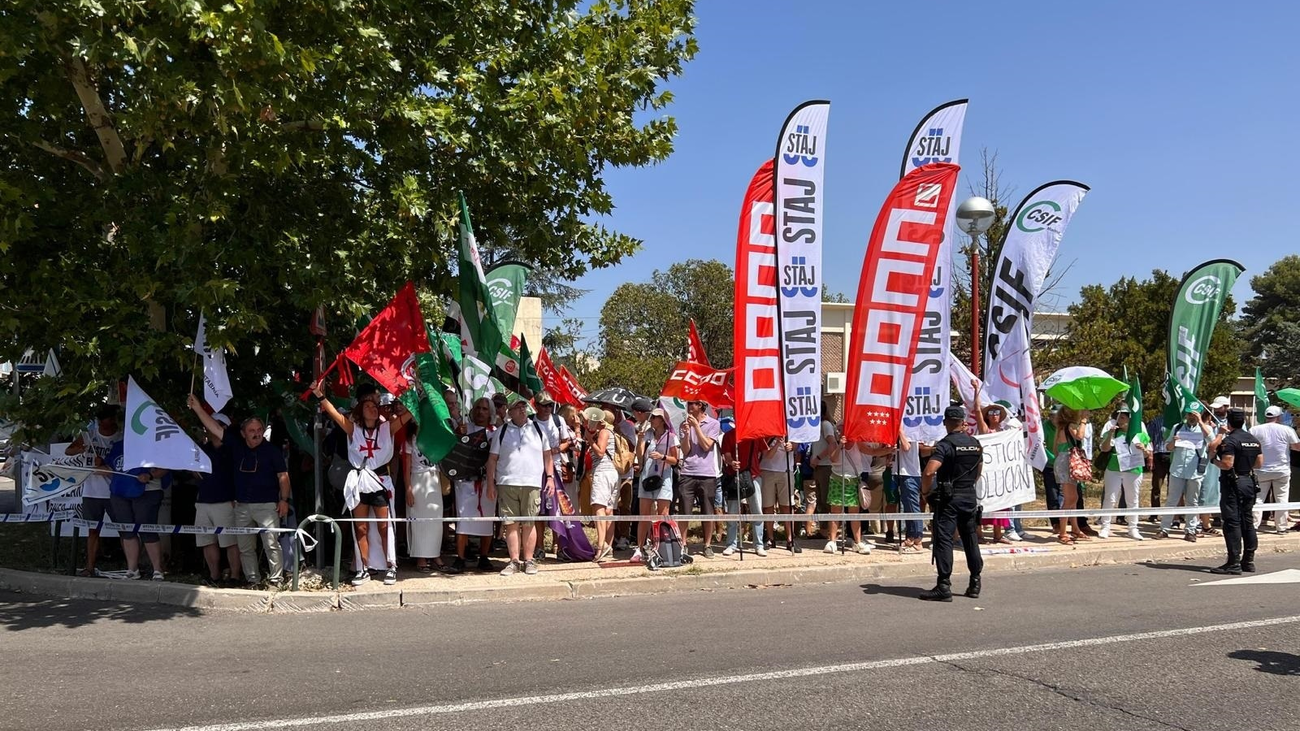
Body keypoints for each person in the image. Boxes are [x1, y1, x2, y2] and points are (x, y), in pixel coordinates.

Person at [313, 382, 413, 586]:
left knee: (385, 526)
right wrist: (319, 395)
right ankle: (363, 568)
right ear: (360, 411)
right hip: (359, 482)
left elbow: (409, 415)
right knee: (361, 528)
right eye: (368, 406)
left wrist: (417, 392)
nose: (373, 408)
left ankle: (391, 566)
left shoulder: (387, 428)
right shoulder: (353, 430)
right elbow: (334, 414)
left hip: (380, 481)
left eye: (375, 406)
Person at [189, 395, 291, 586]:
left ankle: (276, 579)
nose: (256, 434)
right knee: (245, 547)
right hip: (242, 505)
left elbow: (283, 476)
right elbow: (215, 428)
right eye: (252, 431)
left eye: (259, 430)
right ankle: (253, 580)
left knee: (271, 544)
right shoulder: (236, 446)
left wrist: (284, 500)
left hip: (267, 505)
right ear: (243, 433)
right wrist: (197, 408)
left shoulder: (272, 451)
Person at [919, 406, 984, 602]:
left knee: (944, 539)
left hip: (949, 499)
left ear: (945, 422)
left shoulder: (945, 445)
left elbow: (929, 471)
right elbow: (979, 470)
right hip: (969, 496)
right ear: (962, 421)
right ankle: (975, 583)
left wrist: (925, 492)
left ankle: (944, 585)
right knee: (970, 538)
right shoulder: (975, 443)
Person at [486, 399, 553, 576]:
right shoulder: (502, 431)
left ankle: (529, 560)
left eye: (523, 407)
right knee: (511, 524)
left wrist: (550, 478)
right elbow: (492, 459)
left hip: (532, 482)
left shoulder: (538, 428)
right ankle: (514, 561)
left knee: (529, 522)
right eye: (517, 408)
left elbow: (547, 456)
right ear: (510, 412)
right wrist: (490, 483)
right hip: (507, 482)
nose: (522, 410)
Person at [65, 404, 123, 578]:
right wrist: (81, 449)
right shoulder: (89, 435)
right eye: (101, 419)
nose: (104, 423)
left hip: (115, 490)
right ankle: (89, 567)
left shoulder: (121, 437)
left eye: (108, 419)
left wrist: (104, 462)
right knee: (92, 530)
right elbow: (68, 451)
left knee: (124, 529)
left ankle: (132, 567)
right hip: (92, 491)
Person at [100, 438, 169, 581]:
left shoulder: (153, 443)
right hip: (120, 492)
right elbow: (112, 468)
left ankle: (157, 569)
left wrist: (150, 475)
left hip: (147, 491)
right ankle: (132, 569)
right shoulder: (118, 446)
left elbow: (166, 467)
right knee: (127, 530)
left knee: (147, 529)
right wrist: (102, 468)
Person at [192, 413, 242, 586]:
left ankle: (235, 576)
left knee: (230, 542)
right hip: (203, 501)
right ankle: (214, 576)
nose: (209, 427)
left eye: (215, 424)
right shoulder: (202, 449)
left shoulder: (233, 448)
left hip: (226, 502)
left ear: (225, 427)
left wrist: (236, 498)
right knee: (207, 541)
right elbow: (196, 473)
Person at [1211, 409, 1263, 574]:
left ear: (1229, 423)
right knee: (1248, 521)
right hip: (1249, 481)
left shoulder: (1230, 441)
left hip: (1233, 483)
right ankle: (1248, 561)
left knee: (1232, 522)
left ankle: (1233, 563)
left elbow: (1227, 464)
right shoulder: (1253, 440)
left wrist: (1214, 461)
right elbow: (1259, 463)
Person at [450, 397, 496, 573]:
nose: (481, 412)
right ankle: (460, 557)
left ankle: (484, 557)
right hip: (465, 481)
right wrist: (458, 433)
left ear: (490, 412)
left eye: (485, 409)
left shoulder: (495, 432)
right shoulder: (465, 428)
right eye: (478, 408)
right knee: (463, 520)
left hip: (486, 482)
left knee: (486, 520)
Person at [1158, 403, 1212, 541]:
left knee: (1192, 501)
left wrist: (1201, 423)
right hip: (1177, 469)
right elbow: (1168, 447)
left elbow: (1212, 440)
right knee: (1172, 500)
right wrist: (1173, 442)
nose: (1191, 417)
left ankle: (1190, 531)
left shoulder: (1205, 428)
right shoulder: (1177, 427)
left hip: (1195, 471)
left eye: (1194, 414)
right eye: (1189, 414)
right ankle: (1164, 529)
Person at [1096, 407, 1150, 540]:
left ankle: (1133, 528)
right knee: (1110, 498)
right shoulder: (1113, 432)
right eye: (1118, 417)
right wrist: (1110, 434)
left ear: (1130, 420)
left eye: (1123, 417)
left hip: (1133, 469)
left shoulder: (1140, 434)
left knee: (1132, 499)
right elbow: (1104, 449)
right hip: (1114, 469)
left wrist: (1144, 449)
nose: (1119, 420)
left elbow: (1147, 453)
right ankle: (1105, 527)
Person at [676, 399, 721, 558]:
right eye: (688, 404)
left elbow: (707, 446)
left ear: (700, 405)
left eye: (692, 404)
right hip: (688, 472)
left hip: (707, 474)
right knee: (684, 510)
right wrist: (687, 434)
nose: (688, 406)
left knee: (707, 511)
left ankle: (707, 544)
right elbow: (685, 451)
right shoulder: (684, 424)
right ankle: (683, 544)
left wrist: (696, 427)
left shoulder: (714, 424)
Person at [633, 408, 678, 562]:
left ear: (663, 420)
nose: (651, 419)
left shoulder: (671, 437)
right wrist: (640, 441)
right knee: (644, 515)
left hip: (663, 478)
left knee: (662, 514)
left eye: (655, 417)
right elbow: (640, 456)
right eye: (651, 417)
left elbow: (675, 460)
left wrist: (662, 456)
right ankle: (639, 548)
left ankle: (660, 546)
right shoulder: (647, 435)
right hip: (647, 477)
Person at [406, 421, 447, 574]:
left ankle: (435, 554)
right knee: (419, 521)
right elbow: (406, 468)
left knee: (436, 520)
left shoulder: (434, 439)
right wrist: (408, 489)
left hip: (434, 481)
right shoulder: (410, 440)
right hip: (418, 481)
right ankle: (421, 558)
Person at [1250, 405, 1299, 534]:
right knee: (1281, 498)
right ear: (1278, 417)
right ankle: (1281, 527)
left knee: (1258, 498)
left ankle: (1254, 526)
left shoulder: (1254, 429)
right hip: (1282, 469)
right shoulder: (1287, 430)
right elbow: (1297, 447)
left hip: (1261, 469)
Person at [720, 422, 766, 556]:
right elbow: (726, 454)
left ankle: (759, 544)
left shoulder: (756, 435)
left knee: (757, 511)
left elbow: (764, 452)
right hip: (734, 477)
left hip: (753, 476)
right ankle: (731, 544)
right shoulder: (729, 435)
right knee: (732, 512)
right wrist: (731, 462)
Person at [582, 406, 619, 561]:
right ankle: (608, 546)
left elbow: (600, 452)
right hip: (612, 473)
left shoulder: (604, 432)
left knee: (599, 509)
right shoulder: (611, 433)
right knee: (609, 511)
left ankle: (600, 546)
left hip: (603, 472)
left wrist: (590, 440)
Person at [826, 432, 872, 555]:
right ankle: (832, 541)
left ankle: (858, 542)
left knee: (854, 513)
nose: (839, 431)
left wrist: (887, 450)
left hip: (853, 480)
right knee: (835, 511)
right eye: (838, 429)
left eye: (842, 428)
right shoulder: (833, 444)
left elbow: (871, 451)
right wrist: (840, 445)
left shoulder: (858, 444)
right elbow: (833, 459)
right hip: (837, 479)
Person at [1052, 407, 1091, 544]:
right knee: (1070, 498)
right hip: (1067, 462)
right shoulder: (1070, 426)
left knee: (1074, 498)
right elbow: (1079, 436)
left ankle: (1075, 528)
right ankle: (1063, 532)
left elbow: (1055, 449)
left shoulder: (1061, 428)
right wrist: (1084, 421)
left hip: (1066, 461)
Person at [1198, 396, 1232, 538]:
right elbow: (1213, 444)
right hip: (1205, 462)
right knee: (1204, 493)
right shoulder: (1204, 427)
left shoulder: (1215, 424)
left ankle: (1206, 523)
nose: (1215, 411)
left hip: (1213, 462)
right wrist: (1219, 434)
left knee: (1210, 492)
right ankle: (1203, 524)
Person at [758, 437, 799, 553]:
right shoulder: (766, 430)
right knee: (768, 506)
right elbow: (767, 454)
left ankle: (790, 539)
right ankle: (770, 538)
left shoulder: (790, 428)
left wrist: (792, 446)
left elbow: (797, 443)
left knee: (787, 505)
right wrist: (776, 444)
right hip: (767, 469)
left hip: (786, 470)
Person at [895, 426, 930, 554]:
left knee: (913, 507)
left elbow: (906, 447)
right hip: (901, 472)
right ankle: (910, 537)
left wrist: (899, 431)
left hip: (910, 473)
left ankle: (918, 539)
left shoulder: (909, 431)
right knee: (907, 507)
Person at [1147, 412, 1171, 523]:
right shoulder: (1155, 421)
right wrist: (1150, 457)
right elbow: (1149, 439)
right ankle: (1154, 513)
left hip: (1172, 455)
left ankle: (1173, 514)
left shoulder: (1177, 421)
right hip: (1159, 455)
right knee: (1157, 486)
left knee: (1173, 487)